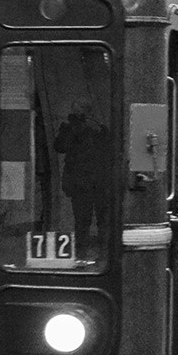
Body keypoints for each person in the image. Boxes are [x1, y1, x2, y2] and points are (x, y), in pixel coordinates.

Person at [54, 99, 113, 257]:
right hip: (80, 183)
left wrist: (97, 128)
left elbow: (110, 150)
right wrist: (72, 130)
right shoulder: (67, 128)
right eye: (76, 111)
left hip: (99, 182)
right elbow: (60, 147)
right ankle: (81, 254)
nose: (79, 115)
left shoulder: (99, 129)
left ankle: (103, 253)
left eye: (82, 112)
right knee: (81, 221)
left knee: (103, 221)